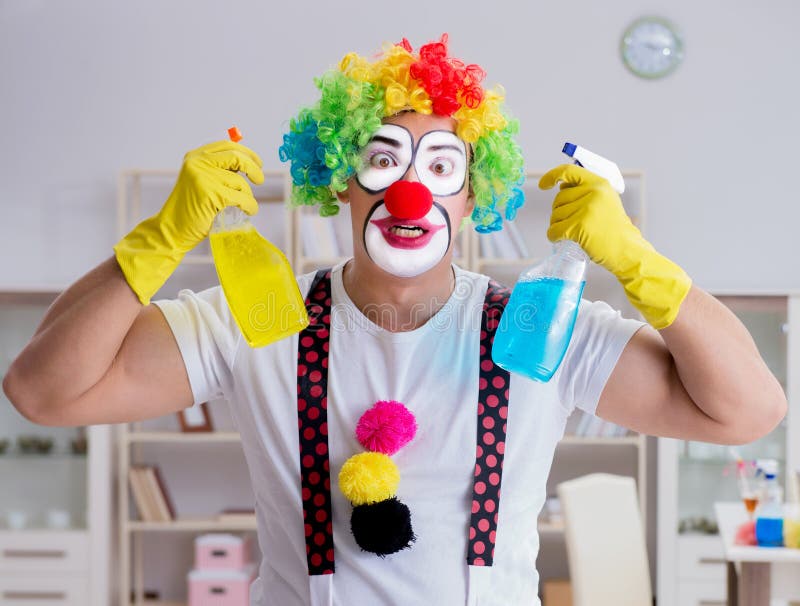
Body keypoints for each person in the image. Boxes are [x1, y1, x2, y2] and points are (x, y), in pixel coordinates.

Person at [3, 35, 786, 606]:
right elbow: (44, 394)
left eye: (441, 168)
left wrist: (638, 260)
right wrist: (157, 242)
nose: (411, 192)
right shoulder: (255, 315)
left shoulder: (536, 330)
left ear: (473, 195)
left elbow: (749, 410)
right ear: (341, 180)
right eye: (382, 162)